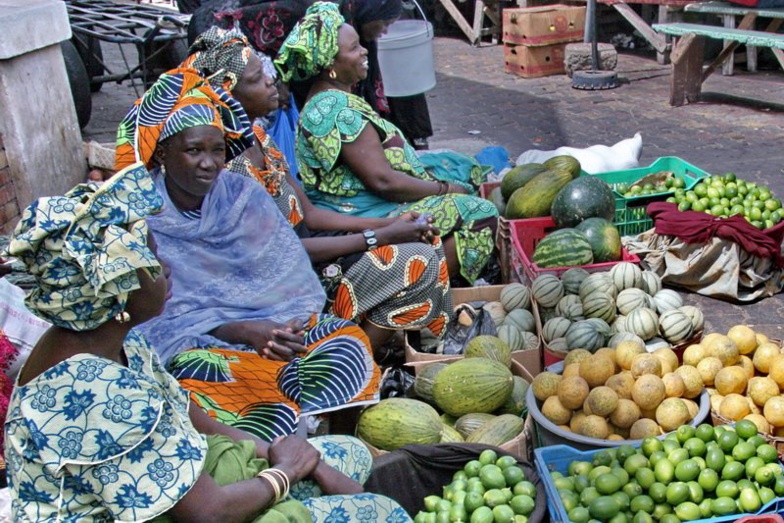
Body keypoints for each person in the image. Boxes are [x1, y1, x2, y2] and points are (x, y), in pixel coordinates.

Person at [3, 164, 411, 522]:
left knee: (344, 456)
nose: (166, 268)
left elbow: (200, 420)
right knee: (382, 513)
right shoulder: (94, 390)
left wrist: (297, 459)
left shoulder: (113, 337)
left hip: (183, 499)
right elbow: (208, 512)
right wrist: (284, 472)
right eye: (154, 262)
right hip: (196, 511)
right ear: (118, 291)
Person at [114, 68, 380, 442]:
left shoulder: (242, 196)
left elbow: (281, 276)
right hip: (189, 344)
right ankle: (270, 458)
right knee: (217, 381)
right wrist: (242, 331)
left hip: (272, 326)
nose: (208, 163)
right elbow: (153, 320)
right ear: (162, 154)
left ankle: (337, 444)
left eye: (217, 149)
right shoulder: (142, 218)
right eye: (193, 150)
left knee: (345, 340)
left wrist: (279, 329)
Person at [182, 26, 451, 356]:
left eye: (263, 72)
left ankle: (368, 348)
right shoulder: (226, 170)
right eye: (254, 79)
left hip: (307, 257)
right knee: (417, 260)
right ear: (226, 96)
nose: (270, 81)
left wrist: (392, 226)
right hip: (277, 287)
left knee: (420, 238)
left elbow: (310, 214)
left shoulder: (259, 140)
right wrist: (379, 237)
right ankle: (354, 362)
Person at [276, 2, 499, 284]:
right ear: (331, 65)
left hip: (352, 205)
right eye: (354, 48)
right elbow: (383, 181)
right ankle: (424, 285)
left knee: (461, 169)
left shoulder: (324, 98)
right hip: (364, 210)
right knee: (480, 212)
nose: (364, 51)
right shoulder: (339, 110)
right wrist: (443, 189)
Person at [187, 0, 434, 148]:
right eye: (385, 24)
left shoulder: (350, 26)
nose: (384, 32)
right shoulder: (305, 12)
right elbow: (225, 22)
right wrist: (276, 77)